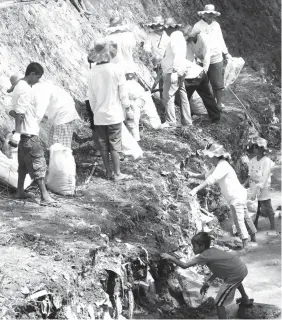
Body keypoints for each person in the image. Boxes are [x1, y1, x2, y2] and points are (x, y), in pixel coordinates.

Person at [161, 232, 254, 319]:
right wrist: (208, 282)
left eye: (194, 246)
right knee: (236, 284)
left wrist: (170, 257)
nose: (193, 248)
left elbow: (184, 266)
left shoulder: (203, 256)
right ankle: (245, 300)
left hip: (235, 275)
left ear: (202, 246)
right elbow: (218, 269)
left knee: (219, 303)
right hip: (240, 269)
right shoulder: (213, 250)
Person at [187, 143, 257, 248]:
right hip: (240, 194)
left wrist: (196, 189)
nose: (207, 157)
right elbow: (207, 176)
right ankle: (254, 238)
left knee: (238, 220)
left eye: (208, 155)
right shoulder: (218, 165)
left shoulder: (222, 165)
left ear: (214, 156)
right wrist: (192, 175)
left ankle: (246, 245)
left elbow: (211, 179)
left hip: (235, 197)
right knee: (245, 217)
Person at [9, 63, 57, 206]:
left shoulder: (19, 86)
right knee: (38, 164)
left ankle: (19, 192)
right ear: (32, 74)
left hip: (24, 134)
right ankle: (45, 196)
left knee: (23, 166)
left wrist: (18, 132)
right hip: (28, 134)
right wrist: (17, 132)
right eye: (38, 77)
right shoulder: (26, 89)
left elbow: (13, 111)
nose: (38, 80)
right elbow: (20, 113)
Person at [87, 38, 132, 181]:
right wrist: (128, 108)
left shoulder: (92, 72)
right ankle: (117, 173)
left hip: (99, 114)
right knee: (115, 143)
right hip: (114, 114)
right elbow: (123, 94)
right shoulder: (117, 69)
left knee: (103, 145)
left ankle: (108, 172)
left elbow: (91, 96)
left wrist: (95, 112)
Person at [191, 4, 232, 110]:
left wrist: (226, 53)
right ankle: (207, 105)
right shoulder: (197, 26)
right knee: (203, 83)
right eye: (208, 14)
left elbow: (220, 40)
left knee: (217, 82)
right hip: (202, 58)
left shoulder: (216, 25)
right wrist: (194, 55)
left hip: (216, 57)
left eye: (212, 14)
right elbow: (192, 41)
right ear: (203, 15)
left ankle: (218, 104)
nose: (210, 16)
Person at [161, 17, 191, 127]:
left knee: (168, 96)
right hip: (181, 70)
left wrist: (174, 69)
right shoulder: (180, 37)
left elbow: (177, 54)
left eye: (166, 29)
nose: (165, 31)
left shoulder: (174, 37)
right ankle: (187, 121)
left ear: (171, 28)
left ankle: (170, 121)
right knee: (183, 95)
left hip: (173, 71)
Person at [32, 82, 80, 149]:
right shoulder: (38, 87)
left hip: (64, 115)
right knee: (52, 144)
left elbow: (39, 111)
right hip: (58, 115)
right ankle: (53, 158)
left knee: (60, 147)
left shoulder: (38, 89)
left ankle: (62, 159)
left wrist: (31, 127)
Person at [244, 137, 276, 232]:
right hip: (253, 187)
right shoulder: (252, 160)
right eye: (254, 147)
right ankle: (255, 224)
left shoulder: (266, 161)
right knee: (256, 207)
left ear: (262, 149)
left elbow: (264, 177)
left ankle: (273, 226)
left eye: (256, 147)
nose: (254, 149)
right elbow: (250, 175)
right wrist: (243, 184)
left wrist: (259, 188)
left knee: (267, 205)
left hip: (263, 187)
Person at [178, 59, 221, 123]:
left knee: (182, 99)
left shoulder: (168, 63)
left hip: (191, 77)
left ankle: (184, 119)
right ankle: (216, 117)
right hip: (201, 72)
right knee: (207, 96)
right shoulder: (177, 58)